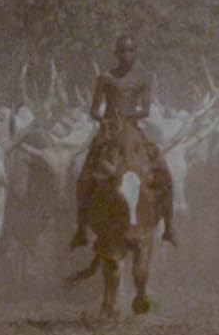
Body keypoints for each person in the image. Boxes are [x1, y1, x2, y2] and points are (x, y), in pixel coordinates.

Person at [70, 35, 177, 250]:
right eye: (122, 51)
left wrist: (128, 116)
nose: (126, 55)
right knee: (86, 173)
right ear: (116, 54)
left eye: (130, 51)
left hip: (133, 129)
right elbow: (93, 109)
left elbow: (145, 109)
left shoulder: (144, 77)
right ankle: (81, 229)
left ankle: (169, 227)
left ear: (135, 52)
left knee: (163, 169)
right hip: (108, 131)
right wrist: (105, 120)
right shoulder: (105, 78)